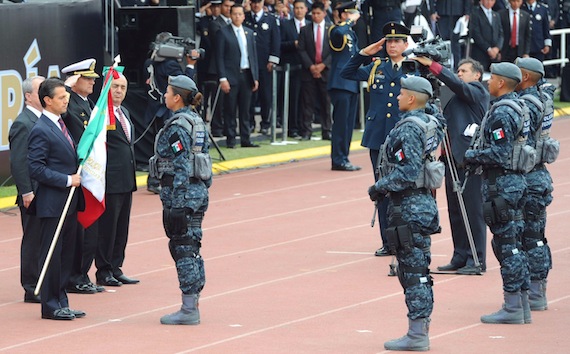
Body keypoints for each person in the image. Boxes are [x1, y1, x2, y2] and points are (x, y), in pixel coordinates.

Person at [367, 76, 444, 351]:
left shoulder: (409, 129)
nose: (397, 97)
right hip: (422, 204)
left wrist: (378, 187)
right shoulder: (430, 122)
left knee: (413, 272)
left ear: (411, 98)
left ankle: (417, 334)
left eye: (401, 94)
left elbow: (407, 172)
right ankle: (419, 330)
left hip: (408, 207)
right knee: (419, 270)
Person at [464, 62, 531, 325]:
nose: (488, 83)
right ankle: (521, 302)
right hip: (514, 182)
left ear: (501, 82)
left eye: (492, 79)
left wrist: (471, 155)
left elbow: (500, 153)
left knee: (506, 246)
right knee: (514, 243)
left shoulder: (502, 112)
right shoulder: (519, 106)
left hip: (502, 184)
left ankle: (513, 304)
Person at [413, 56, 489, 275]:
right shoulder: (455, 94)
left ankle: (476, 259)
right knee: (456, 211)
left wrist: (435, 67)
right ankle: (460, 256)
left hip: (469, 160)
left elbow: (458, 86)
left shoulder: (478, 91)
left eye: (464, 71)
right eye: (458, 71)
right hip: (450, 159)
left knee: (472, 211)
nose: (459, 74)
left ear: (477, 75)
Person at [340, 22, 410, 256]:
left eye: (397, 41)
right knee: (382, 190)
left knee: (406, 190)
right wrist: (363, 53)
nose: (392, 45)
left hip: (404, 137)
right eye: (388, 41)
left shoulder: (413, 69)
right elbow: (345, 73)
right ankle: (388, 241)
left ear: (405, 44)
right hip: (378, 137)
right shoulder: (375, 67)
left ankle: (406, 238)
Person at [150, 75, 212, 325]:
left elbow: (181, 165)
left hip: (183, 195)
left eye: (167, 92)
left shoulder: (178, 126)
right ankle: (193, 300)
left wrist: (177, 204)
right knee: (192, 245)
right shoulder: (196, 121)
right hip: (198, 194)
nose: (163, 96)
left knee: (182, 247)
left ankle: (188, 309)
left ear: (177, 97)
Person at [28, 77, 86, 320]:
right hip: (53, 203)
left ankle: (62, 300)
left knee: (65, 254)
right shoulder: (41, 129)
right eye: (62, 98)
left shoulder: (63, 124)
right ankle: (50, 305)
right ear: (47, 100)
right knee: (52, 254)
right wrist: (66, 179)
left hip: (69, 203)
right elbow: (36, 168)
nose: (66, 101)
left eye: (67, 96)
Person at [515, 57, 555, 311]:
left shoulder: (526, 104)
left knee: (528, 236)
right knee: (537, 235)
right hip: (540, 173)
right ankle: (538, 288)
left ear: (527, 77)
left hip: (528, 175)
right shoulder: (544, 98)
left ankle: (535, 292)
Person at [61, 58, 104, 295]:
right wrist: (66, 88)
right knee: (79, 231)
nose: (92, 83)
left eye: (93, 79)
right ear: (75, 80)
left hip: (89, 174)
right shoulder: (70, 102)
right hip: (78, 172)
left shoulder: (87, 103)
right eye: (86, 78)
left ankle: (82, 273)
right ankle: (74, 276)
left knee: (90, 231)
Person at [92, 73, 140, 286]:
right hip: (110, 181)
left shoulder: (126, 113)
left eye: (122, 87)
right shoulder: (101, 115)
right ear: (106, 90)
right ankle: (103, 270)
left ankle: (116, 266)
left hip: (126, 180)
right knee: (108, 228)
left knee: (122, 227)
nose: (119, 91)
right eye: (115, 87)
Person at [145, 32, 199, 194]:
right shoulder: (170, 65)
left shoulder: (150, 62)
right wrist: (190, 65)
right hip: (168, 112)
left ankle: (155, 179)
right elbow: (185, 87)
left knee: (159, 147)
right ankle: (157, 179)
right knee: (170, 149)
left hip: (155, 109)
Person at [8, 76, 45, 304]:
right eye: (40, 90)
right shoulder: (23, 123)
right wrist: (26, 192)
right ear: (28, 96)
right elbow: (19, 162)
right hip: (33, 194)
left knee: (46, 240)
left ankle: (44, 282)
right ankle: (31, 287)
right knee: (33, 240)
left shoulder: (47, 120)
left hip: (48, 191)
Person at [216, 3, 261, 148]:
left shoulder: (248, 32)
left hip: (246, 75)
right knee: (230, 110)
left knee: (245, 110)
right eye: (234, 13)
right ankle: (231, 139)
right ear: (230, 14)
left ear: (243, 15)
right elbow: (219, 57)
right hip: (231, 76)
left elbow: (252, 56)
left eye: (240, 14)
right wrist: (223, 78)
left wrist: (255, 77)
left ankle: (246, 139)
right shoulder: (223, 32)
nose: (237, 16)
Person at [327, 1, 361, 172]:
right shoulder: (336, 30)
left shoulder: (352, 34)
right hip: (340, 83)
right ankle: (338, 159)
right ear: (341, 15)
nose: (353, 17)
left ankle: (344, 157)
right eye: (349, 14)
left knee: (348, 125)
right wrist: (348, 21)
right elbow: (339, 32)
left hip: (352, 83)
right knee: (340, 124)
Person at [245, 0, 281, 134]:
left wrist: (273, 60)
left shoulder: (271, 19)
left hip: (265, 64)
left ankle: (265, 123)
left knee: (266, 94)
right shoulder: (245, 17)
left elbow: (276, 40)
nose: (255, 5)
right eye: (253, 2)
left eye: (258, 2)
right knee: (250, 95)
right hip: (250, 64)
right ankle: (250, 123)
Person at [297, 1, 332, 141]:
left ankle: (327, 130)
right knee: (307, 103)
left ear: (324, 13)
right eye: (314, 13)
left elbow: (334, 51)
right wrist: (311, 66)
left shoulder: (331, 29)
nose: (316, 16)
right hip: (309, 71)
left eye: (319, 13)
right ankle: (306, 131)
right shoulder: (305, 30)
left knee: (326, 102)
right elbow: (301, 49)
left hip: (325, 71)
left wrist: (323, 65)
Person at [279, 0, 309, 138]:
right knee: (293, 100)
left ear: (306, 9)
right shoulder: (286, 25)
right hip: (292, 67)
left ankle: (306, 128)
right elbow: (279, 44)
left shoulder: (309, 25)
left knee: (307, 99)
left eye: (301, 8)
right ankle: (293, 128)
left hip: (308, 68)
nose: (298, 10)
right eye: (296, 8)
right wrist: (294, 44)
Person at [207, 0, 234, 137]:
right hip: (217, 68)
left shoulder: (236, 25)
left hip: (233, 67)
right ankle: (217, 128)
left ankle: (228, 127)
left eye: (231, 6)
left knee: (231, 101)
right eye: (226, 6)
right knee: (219, 101)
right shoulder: (215, 24)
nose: (228, 9)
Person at [429, 0, 472, 69]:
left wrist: (467, 12)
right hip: (442, 11)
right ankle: (440, 67)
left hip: (458, 11)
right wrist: (432, 11)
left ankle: (457, 66)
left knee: (455, 41)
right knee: (440, 42)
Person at [469, 0, 503, 71]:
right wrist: (488, 49)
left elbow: (501, 34)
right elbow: (476, 34)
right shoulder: (475, 13)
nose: (489, 2)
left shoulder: (496, 15)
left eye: (492, 0)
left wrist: (497, 48)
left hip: (494, 55)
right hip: (480, 53)